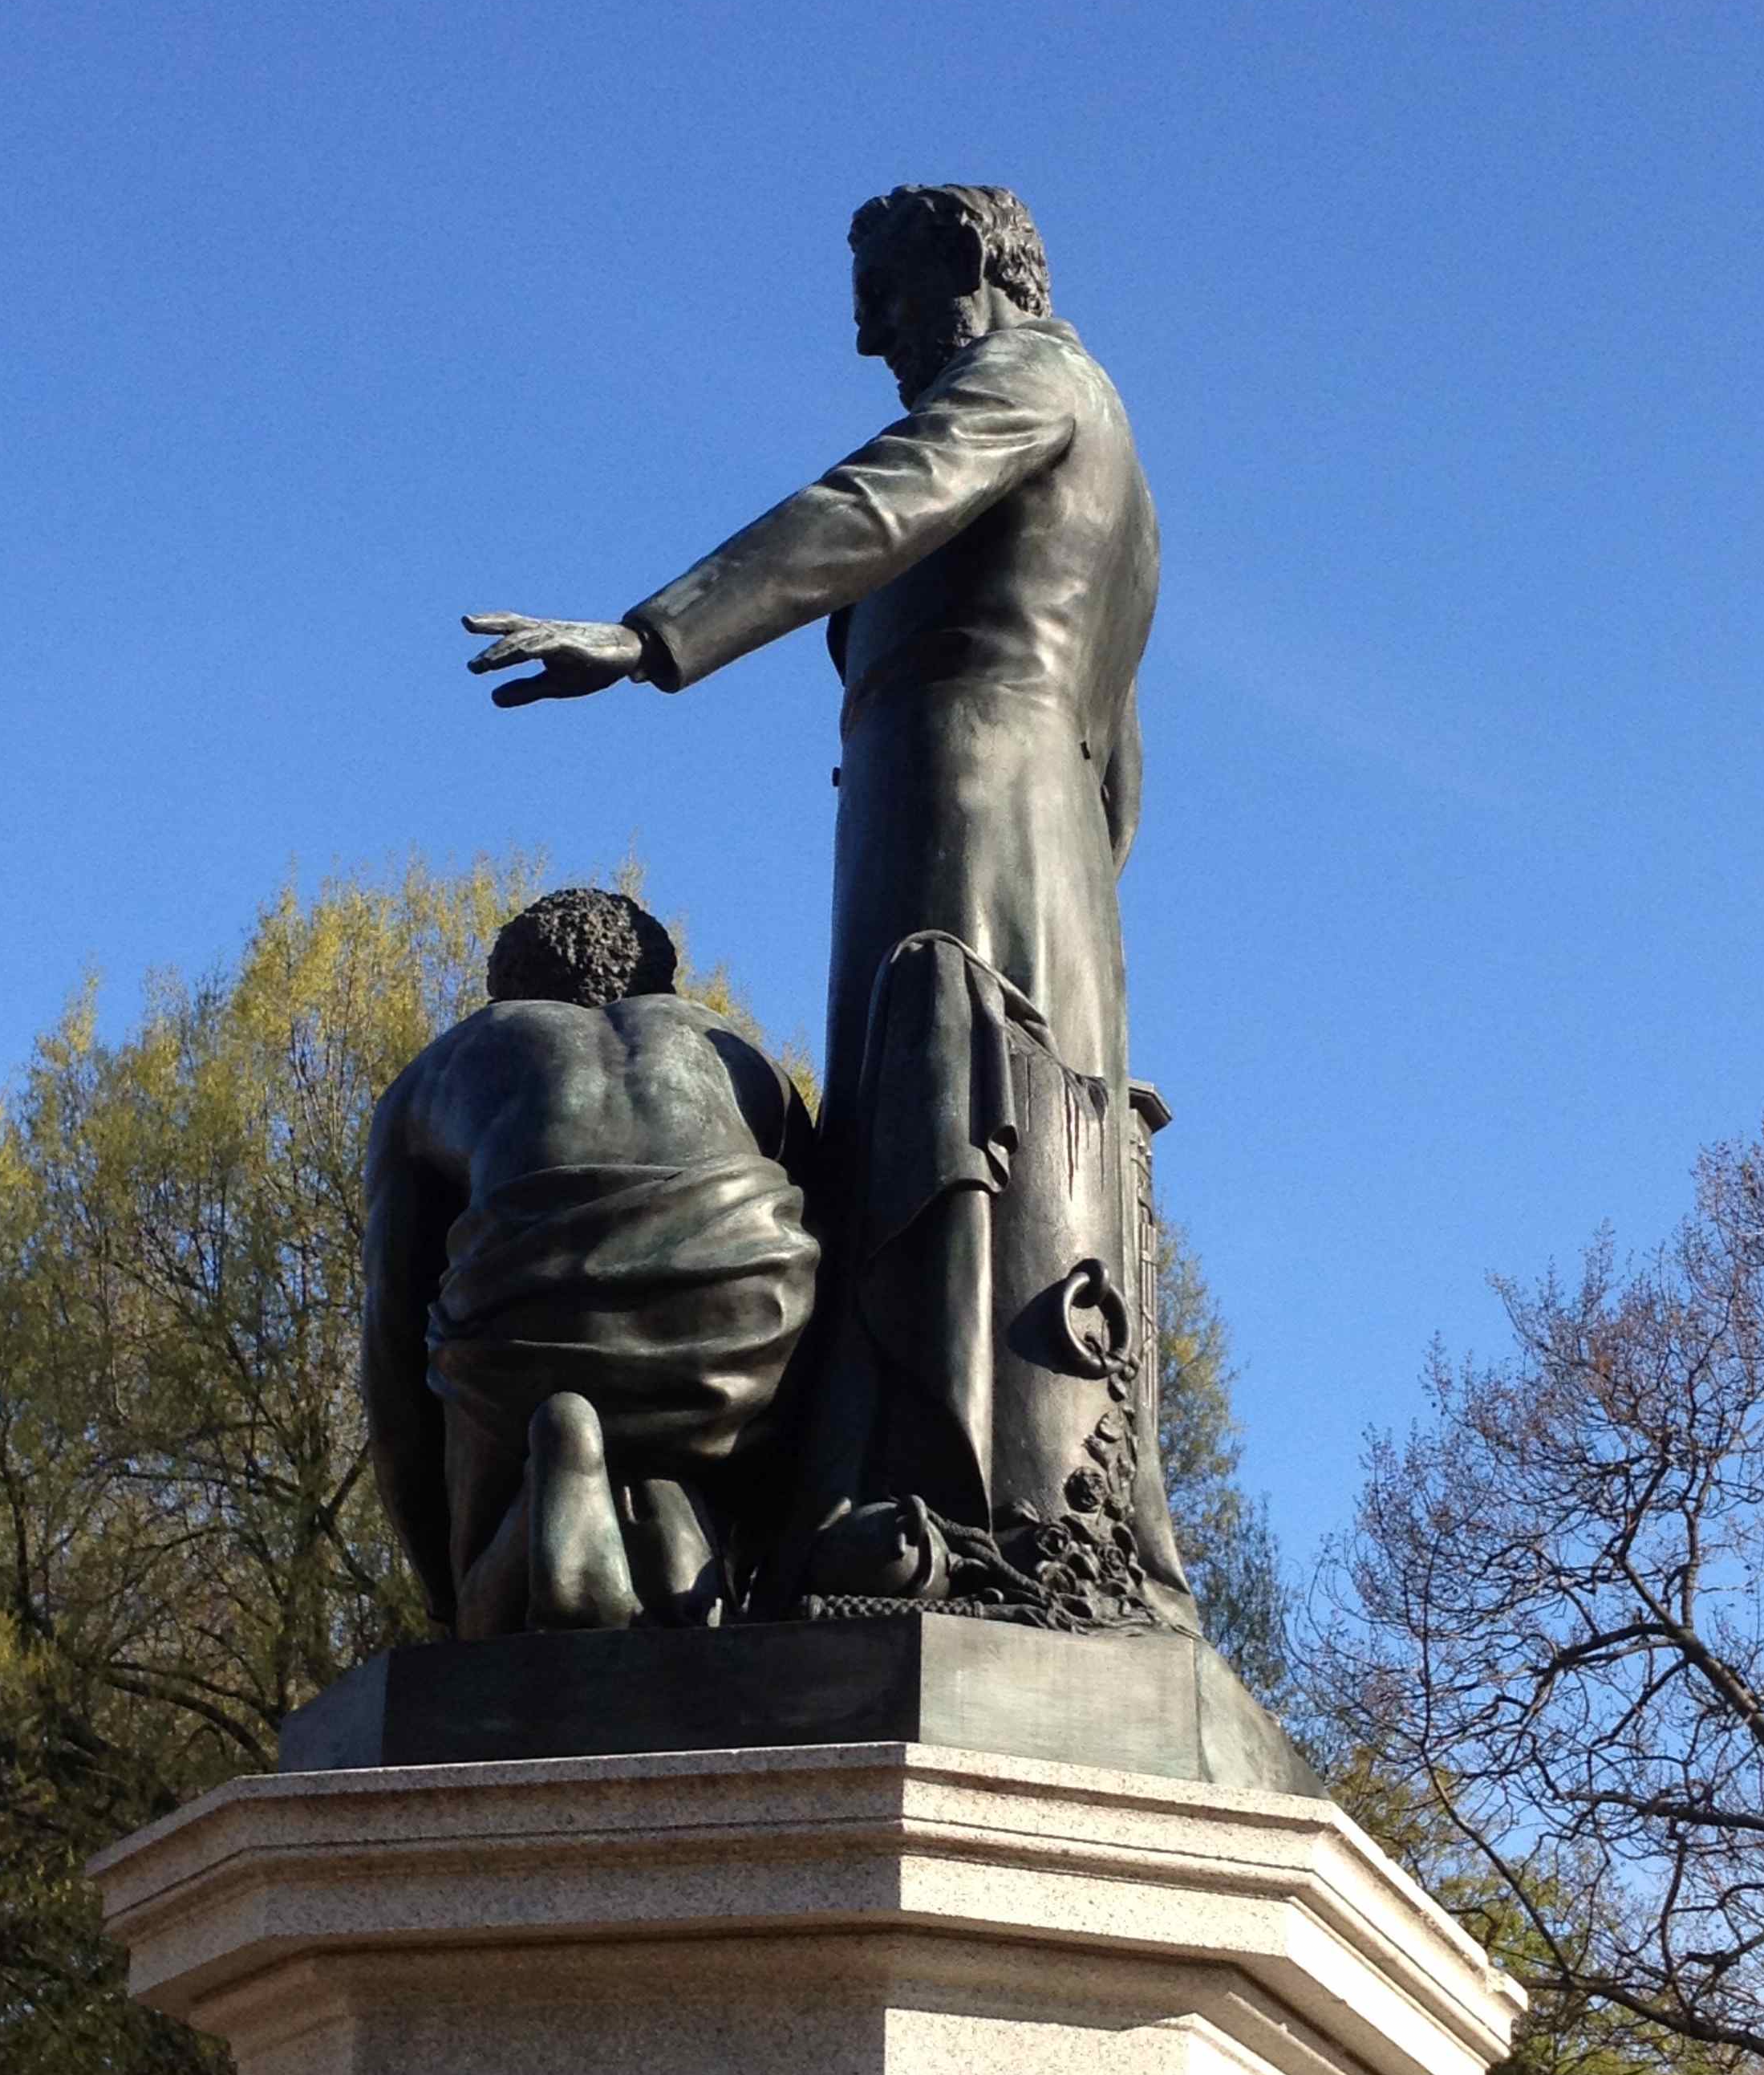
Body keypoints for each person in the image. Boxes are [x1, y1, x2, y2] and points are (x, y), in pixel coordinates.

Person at [464, 186, 1196, 1631]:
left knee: (945, 1087)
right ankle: (973, 1478)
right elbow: (1122, 747)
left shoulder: (1033, 378)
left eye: (886, 289)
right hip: (1036, 816)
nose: (867, 330)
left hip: (962, 786)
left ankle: (936, 1483)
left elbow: (869, 505)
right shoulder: (1120, 463)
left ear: (975, 266)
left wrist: (654, 630)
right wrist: (1085, 897)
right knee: (978, 1102)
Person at [362, 887, 817, 1636]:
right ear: (659, 985)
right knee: (703, 1500)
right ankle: (679, 1528)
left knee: (482, 1614)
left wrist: (441, 1589)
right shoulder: (737, 1054)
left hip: (533, 1333)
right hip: (736, 1334)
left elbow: (390, 1347)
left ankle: (547, 1489)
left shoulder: (445, 1066)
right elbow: (820, 1231)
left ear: (508, 988)